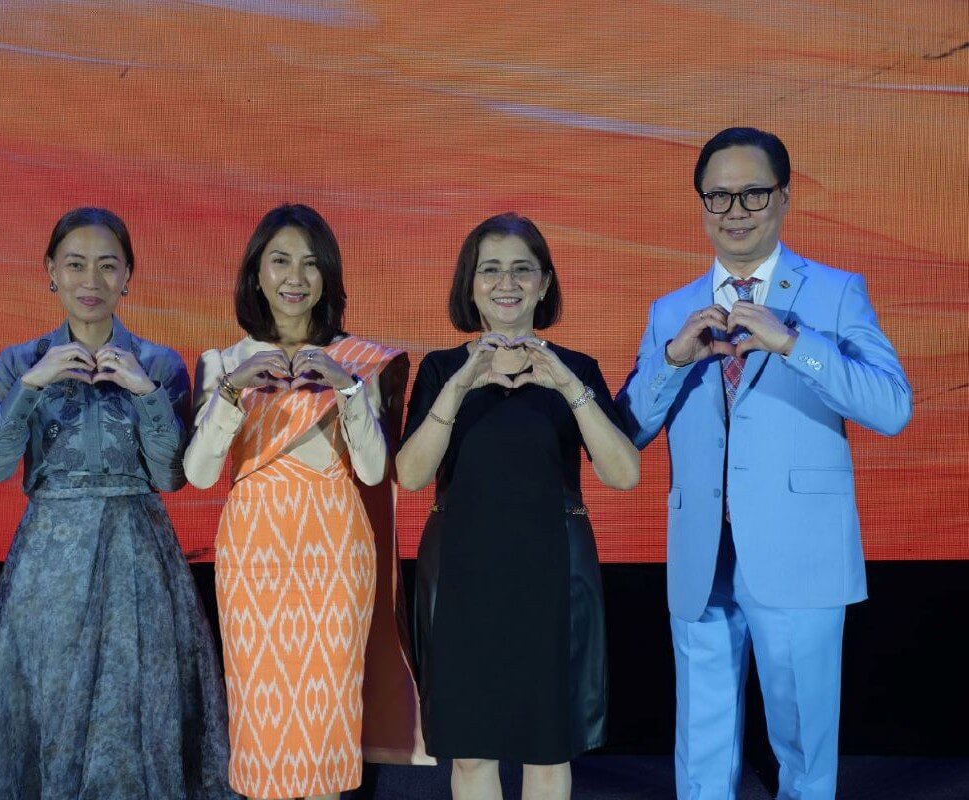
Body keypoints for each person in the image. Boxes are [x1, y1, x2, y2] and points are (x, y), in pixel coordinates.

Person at [615, 127, 912, 799]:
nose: (734, 210)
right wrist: (669, 362)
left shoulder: (834, 293)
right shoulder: (670, 310)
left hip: (798, 554)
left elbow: (891, 408)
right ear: (700, 205)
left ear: (782, 198)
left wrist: (792, 343)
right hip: (701, 555)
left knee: (804, 745)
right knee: (701, 746)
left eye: (751, 193)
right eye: (717, 196)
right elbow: (626, 431)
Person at [0, 207, 236, 800]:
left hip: (138, 560)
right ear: (50, 273)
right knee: (50, 706)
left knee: (136, 711)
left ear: (128, 276)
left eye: (108, 267)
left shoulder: (158, 363)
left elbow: (170, 477)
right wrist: (32, 385)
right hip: (49, 567)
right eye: (76, 265)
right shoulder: (18, 361)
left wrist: (145, 392)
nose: (92, 281)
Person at [183, 204, 427, 800]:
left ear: (329, 278)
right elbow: (198, 473)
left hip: (334, 553)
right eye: (281, 261)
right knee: (262, 721)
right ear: (256, 274)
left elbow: (373, 470)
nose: (296, 277)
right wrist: (234, 392)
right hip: (254, 556)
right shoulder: (223, 363)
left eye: (311, 265)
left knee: (324, 718)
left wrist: (345, 386)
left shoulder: (358, 363)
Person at [396, 212, 639, 800]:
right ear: (470, 284)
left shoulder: (575, 368)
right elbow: (409, 474)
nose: (507, 284)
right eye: (491, 270)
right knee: (472, 755)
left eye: (522, 270)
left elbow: (624, 474)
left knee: (547, 754)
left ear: (545, 284)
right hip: (462, 575)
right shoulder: (439, 369)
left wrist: (567, 387)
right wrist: (459, 386)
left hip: (551, 574)